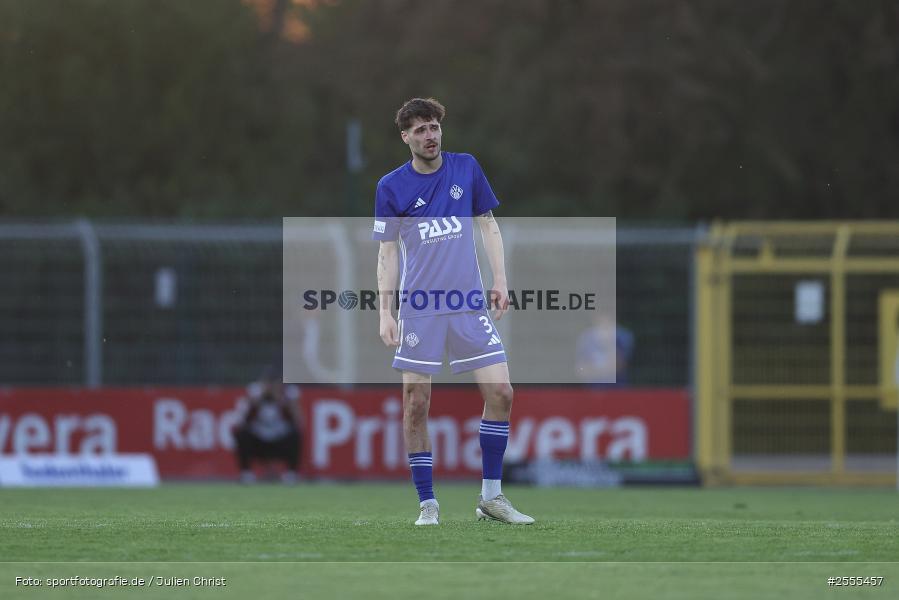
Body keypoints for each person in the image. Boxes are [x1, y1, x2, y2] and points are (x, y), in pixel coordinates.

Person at [373, 97, 533, 526]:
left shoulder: (466, 168)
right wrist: (385, 312)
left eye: (434, 127)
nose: (430, 136)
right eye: (420, 130)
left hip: (466, 304)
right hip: (421, 309)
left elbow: (489, 224)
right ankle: (428, 504)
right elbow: (387, 254)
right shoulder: (391, 186)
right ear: (405, 137)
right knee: (416, 403)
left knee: (501, 393)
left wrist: (499, 281)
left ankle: (492, 498)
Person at [232, 367, 303, 484]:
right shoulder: (255, 393)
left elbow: (298, 421)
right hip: (259, 440)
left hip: (280, 439)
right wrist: (255, 402)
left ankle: (291, 473)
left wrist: (283, 402)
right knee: (241, 434)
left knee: (295, 434)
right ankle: (246, 473)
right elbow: (241, 422)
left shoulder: (288, 394)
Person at [576, 314, 635, 387]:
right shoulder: (586, 338)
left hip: (616, 389)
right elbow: (582, 370)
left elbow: (618, 366)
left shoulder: (621, 338)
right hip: (593, 388)